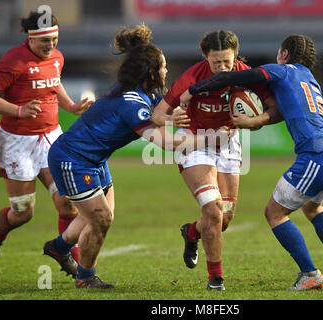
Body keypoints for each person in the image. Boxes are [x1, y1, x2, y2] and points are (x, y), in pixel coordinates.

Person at [43, 24, 222, 289]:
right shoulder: (132, 102)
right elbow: (166, 143)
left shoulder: (148, 94)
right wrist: (211, 137)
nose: (166, 70)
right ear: (151, 72)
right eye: (162, 67)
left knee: (98, 216)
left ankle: (58, 247)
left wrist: (170, 116)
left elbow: (159, 114)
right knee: (101, 218)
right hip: (72, 159)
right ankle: (86, 277)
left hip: (94, 160)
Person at [179, 34, 323, 290]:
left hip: (316, 155)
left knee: (274, 213)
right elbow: (284, 111)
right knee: (312, 209)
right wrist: (254, 121)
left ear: (284, 54)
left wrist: (191, 90)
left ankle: (310, 274)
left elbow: (232, 77)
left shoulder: (281, 72)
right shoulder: (309, 78)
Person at [152, 30, 275, 290]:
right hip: (195, 141)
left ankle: (192, 232)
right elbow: (157, 114)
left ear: (236, 57)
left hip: (228, 142)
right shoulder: (191, 77)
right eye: (215, 61)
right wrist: (172, 118)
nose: (221, 67)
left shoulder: (245, 73)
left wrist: (254, 121)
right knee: (213, 210)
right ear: (205, 57)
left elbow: (273, 107)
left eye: (226, 62)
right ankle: (216, 280)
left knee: (224, 220)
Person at [0, 11, 93, 276]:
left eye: (54, 40)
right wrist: (18, 111)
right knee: (23, 212)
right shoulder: (13, 61)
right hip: (18, 142)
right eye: (45, 41)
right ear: (31, 38)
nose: (51, 46)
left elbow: (55, 84)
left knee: (68, 203)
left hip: (51, 138)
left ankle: (69, 258)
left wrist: (71, 106)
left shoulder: (57, 57)